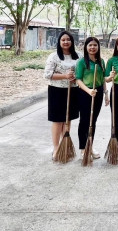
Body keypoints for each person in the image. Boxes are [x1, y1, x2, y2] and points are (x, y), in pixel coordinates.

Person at [44, 31, 81, 161]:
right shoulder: (54, 57)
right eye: (63, 40)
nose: (66, 42)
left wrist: (75, 77)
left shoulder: (78, 56)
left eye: (68, 39)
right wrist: (65, 76)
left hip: (73, 90)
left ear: (72, 41)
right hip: (57, 91)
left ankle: (64, 144)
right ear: (59, 42)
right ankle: (55, 147)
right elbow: (47, 74)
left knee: (67, 119)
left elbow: (81, 73)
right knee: (57, 120)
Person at [75, 37, 109, 159]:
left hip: (98, 92)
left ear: (98, 47)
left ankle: (90, 146)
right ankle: (83, 149)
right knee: (84, 121)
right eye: (90, 45)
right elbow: (78, 79)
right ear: (86, 47)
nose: (92, 47)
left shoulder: (101, 61)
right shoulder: (81, 62)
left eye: (95, 45)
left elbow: (104, 79)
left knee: (93, 121)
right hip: (85, 92)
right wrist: (89, 91)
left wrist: (106, 93)